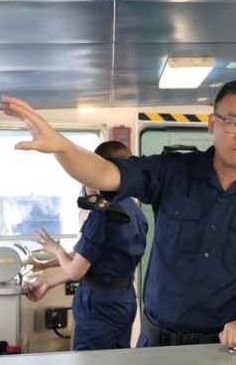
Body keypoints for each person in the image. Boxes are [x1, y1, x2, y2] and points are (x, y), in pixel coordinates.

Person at [1, 80, 236, 347]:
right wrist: (61, 146)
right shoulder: (174, 171)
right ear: (213, 124)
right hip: (158, 343)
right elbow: (105, 174)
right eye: (234, 123)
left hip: (227, 349)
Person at [24, 141, 148, 350]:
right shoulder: (133, 209)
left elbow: (75, 270)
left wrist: (56, 249)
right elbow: (87, 255)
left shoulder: (103, 214)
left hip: (99, 305)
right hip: (124, 300)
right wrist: (46, 271)